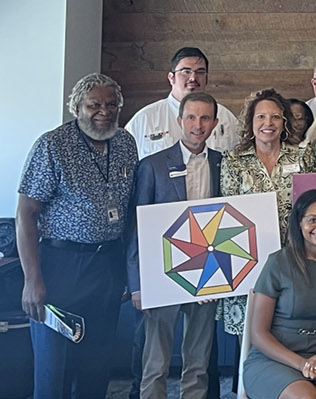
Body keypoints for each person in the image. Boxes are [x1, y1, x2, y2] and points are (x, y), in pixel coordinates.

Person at [19, 73, 137, 399]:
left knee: (96, 366)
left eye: (112, 104)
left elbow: (128, 212)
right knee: (52, 369)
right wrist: (32, 280)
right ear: (77, 107)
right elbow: (26, 213)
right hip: (61, 266)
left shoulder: (126, 143)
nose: (104, 111)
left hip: (108, 265)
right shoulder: (52, 145)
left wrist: (128, 272)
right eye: (94, 104)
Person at [128, 92, 224, 399]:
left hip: (208, 272)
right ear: (179, 121)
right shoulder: (153, 166)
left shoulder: (223, 165)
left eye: (205, 118)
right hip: (162, 273)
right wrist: (136, 284)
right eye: (192, 117)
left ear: (215, 123)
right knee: (156, 363)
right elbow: (136, 228)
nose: (198, 125)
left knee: (198, 363)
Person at [242, 189, 316, 399]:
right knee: (306, 397)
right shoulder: (278, 262)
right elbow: (259, 334)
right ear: (299, 222)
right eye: (313, 220)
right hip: (274, 360)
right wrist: (302, 364)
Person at [220, 88, 316, 336]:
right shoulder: (234, 160)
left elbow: (314, 204)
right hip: (248, 260)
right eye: (261, 117)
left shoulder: (302, 156)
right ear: (250, 122)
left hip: (295, 258)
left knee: (289, 332)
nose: (268, 123)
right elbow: (227, 212)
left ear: (284, 121)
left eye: (275, 117)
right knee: (251, 338)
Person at [125, 47, 244, 158]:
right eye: (186, 71)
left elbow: (240, 160)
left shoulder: (224, 117)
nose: (193, 78)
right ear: (171, 78)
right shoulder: (145, 119)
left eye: (200, 72)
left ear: (207, 78)